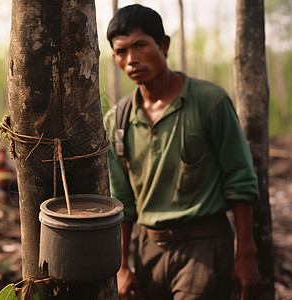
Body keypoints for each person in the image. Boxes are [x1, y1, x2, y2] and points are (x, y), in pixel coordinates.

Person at [104, 5, 261, 300]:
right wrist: (122, 265)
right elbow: (122, 200)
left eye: (140, 46)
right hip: (148, 249)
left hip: (204, 246)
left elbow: (240, 179)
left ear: (163, 45)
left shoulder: (209, 102)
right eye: (121, 51)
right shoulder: (117, 120)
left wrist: (247, 254)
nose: (131, 60)